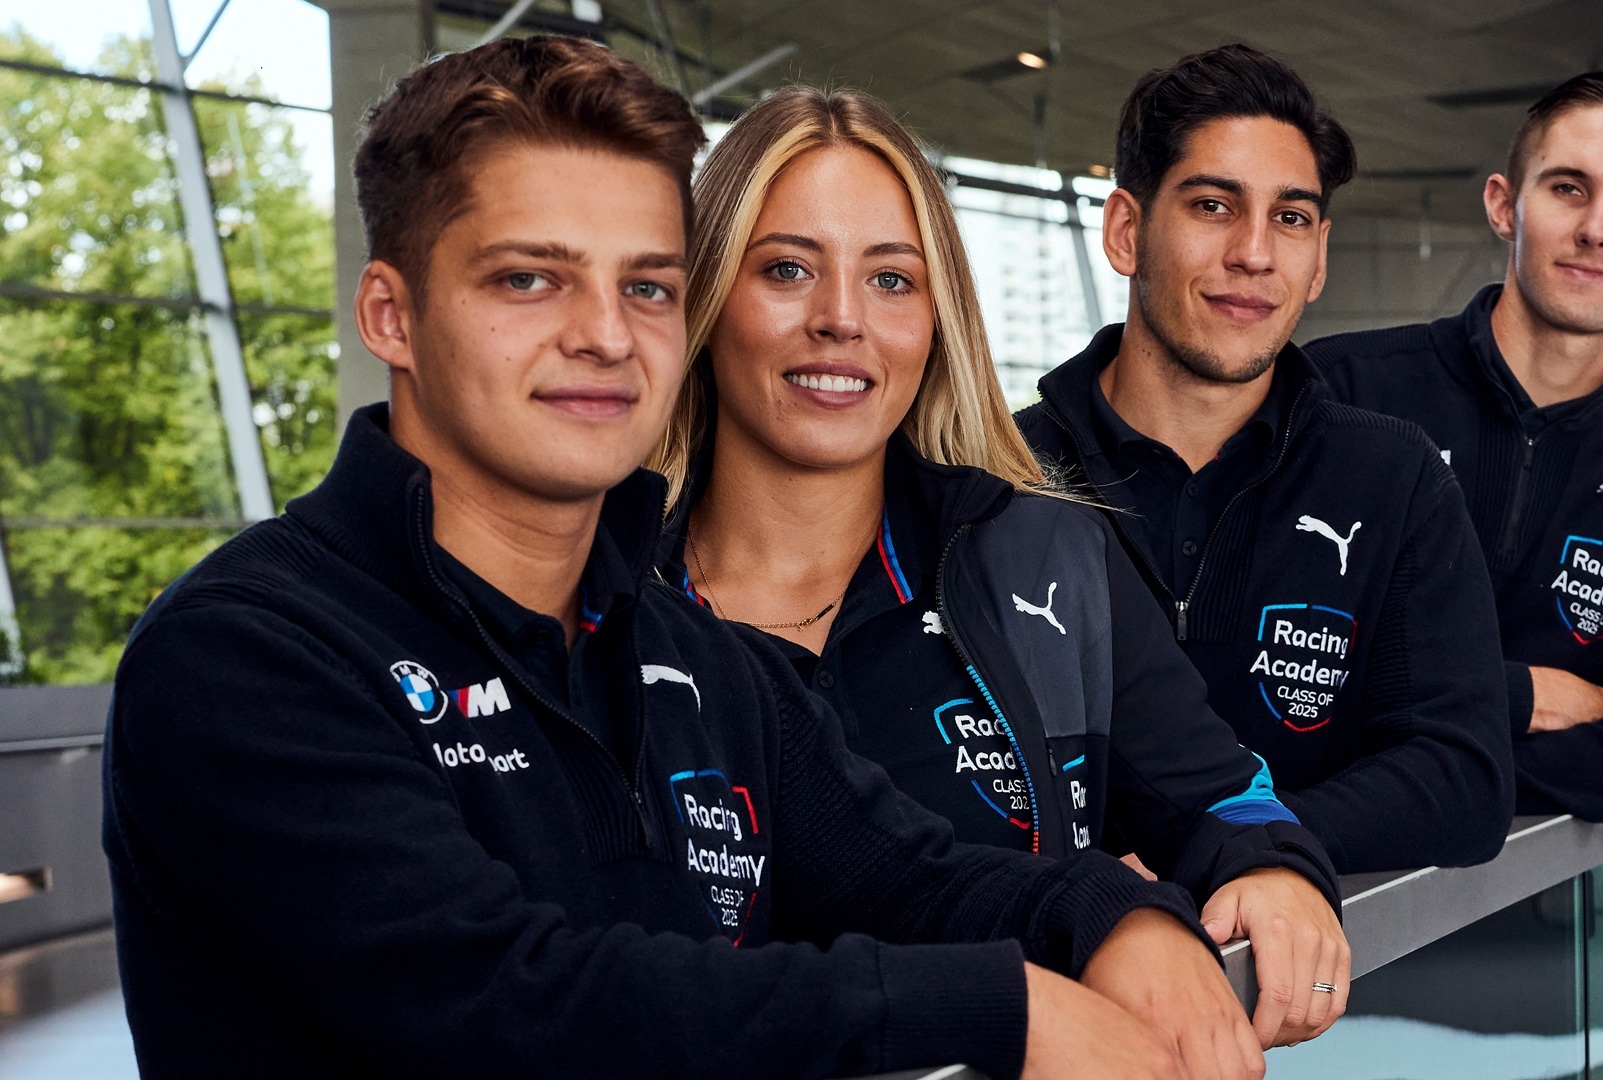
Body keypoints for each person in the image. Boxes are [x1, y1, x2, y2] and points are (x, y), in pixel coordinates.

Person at [100, 38, 1268, 1080]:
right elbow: (511, 1005)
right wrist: (998, 1006)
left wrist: (1115, 918)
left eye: (647, 286)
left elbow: (916, 875)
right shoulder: (248, 655)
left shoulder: (697, 662)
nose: (605, 335)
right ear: (391, 316)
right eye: (529, 278)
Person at [649, 85, 1350, 1050]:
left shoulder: (1041, 557)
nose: (841, 318)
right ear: (705, 297)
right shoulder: (603, 601)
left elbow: (1223, 798)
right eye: (786, 269)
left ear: (939, 317)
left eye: (891, 279)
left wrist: (1272, 870)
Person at [1017, 45, 1514, 876]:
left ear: (1319, 260)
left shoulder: (1394, 480)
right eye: (1214, 205)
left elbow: (1463, 781)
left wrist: (1231, 845)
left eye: (1290, 218)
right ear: (1127, 232)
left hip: (1311, 956)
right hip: (1046, 951)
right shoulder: (1001, 478)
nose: (1254, 252)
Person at [1305, 70, 1603, 836]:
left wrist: (1400, 746)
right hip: (1261, 874)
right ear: (1503, 205)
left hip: (1518, 899)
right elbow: (1277, 675)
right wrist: (1516, 698)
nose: (1597, 229)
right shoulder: (1341, 393)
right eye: (1568, 189)